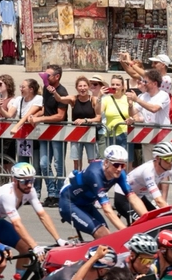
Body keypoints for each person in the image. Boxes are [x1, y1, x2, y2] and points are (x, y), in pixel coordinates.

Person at [0, 162, 61, 275]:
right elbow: (17, 224)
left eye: (31, 180)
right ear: (15, 180)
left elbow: (42, 215)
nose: (29, 185)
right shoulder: (7, 195)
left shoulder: (30, 191)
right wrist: (35, 246)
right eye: (25, 181)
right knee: (0, 263)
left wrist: (58, 239)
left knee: (26, 248)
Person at [59, 145, 140, 238]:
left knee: (108, 238)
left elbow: (133, 198)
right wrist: (127, 233)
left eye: (123, 165)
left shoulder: (119, 173)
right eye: (116, 165)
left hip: (87, 205)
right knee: (104, 235)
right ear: (106, 162)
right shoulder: (94, 173)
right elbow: (107, 210)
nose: (119, 169)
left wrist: (148, 219)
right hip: (69, 204)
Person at [22, 65, 67, 207]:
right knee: (43, 163)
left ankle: (59, 194)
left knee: (58, 164)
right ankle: (52, 192)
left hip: (58, 131)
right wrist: (34, 116)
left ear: (57, 77)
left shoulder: (61, 91)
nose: (45, 78)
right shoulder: (47, 90)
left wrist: (39, 119)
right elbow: (45, 110)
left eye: (48, 76)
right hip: (45, 132)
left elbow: (60, 116)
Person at [122, 141, 172, 215]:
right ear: (158, 159)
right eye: (168, 159)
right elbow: (158, 200)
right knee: (148, 223)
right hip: (124, 197)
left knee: (158, 219)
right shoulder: (148, 170)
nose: (171, 162)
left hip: (139, 197)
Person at [66, 76, 100, 171]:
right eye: (80, 86)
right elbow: (60, 99)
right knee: (76, 162)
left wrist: (85, 120)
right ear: (76, 88)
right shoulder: (74, 99)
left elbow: (98, 117)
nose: (82, 88)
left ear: (88, 87)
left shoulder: (93, 99)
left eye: (85, 85)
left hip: (90, 134)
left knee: (92, 161)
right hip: (76, 134)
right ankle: (78, 181)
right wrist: (54, 92)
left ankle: (91, 179)